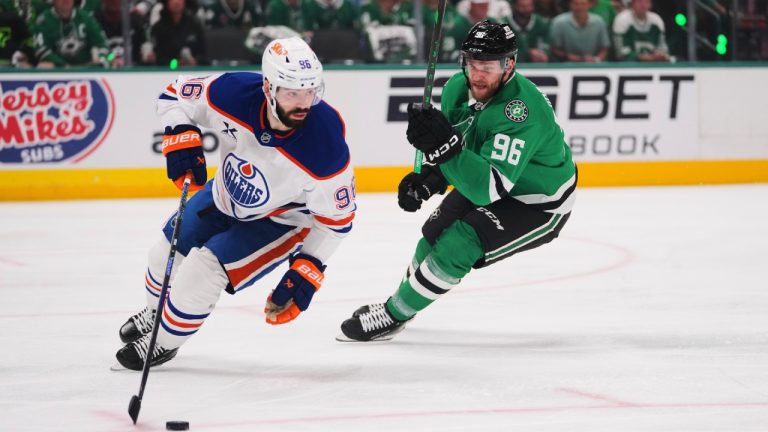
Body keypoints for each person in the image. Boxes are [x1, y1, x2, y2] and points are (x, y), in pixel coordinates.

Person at [116, 37, 356, 370]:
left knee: (200, 274)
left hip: (280, 221)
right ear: (268, 88)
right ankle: (155, 312)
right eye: (292, 93)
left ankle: (164, 342)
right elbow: (174, 94)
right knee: (162, 253)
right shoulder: (234, 92)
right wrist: (180, 133)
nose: (303, 103)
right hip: (224, 194)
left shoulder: (325, 145)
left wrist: (309, 266)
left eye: (310, 92)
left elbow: (337, 221)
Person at [338, 20, 576, 342]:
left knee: (461, 242)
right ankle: (403, 302)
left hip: (538, 202)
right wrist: (429, 179)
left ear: (510, 65)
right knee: (432, 234)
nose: (478, 75)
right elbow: (459, 147)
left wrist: (441, 149)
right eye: (473, 64)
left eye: (488, 66)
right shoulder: (455, 89)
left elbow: (487, 188)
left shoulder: (521, 112)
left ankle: (393, 314)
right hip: (492, 175)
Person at [30, 0, 112, 68]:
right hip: (59, 69)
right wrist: (64, 65)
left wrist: (101, 58)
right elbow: (41, 50)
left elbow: (101, 43)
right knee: (44, 66)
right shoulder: (43, 21)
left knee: (107, 61)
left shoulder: (86, 18)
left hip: (87, 67)